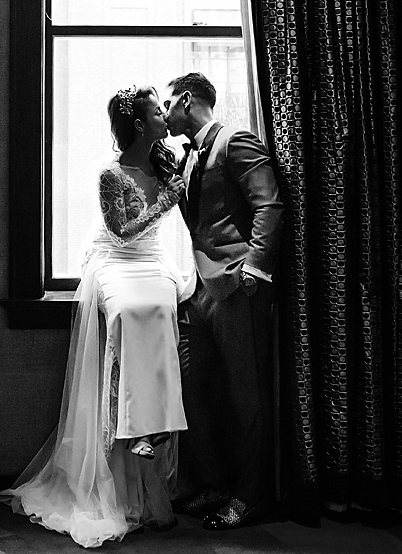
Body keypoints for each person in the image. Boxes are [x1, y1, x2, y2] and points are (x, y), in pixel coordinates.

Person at [0, 85, 194, 548]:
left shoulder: (166, 161)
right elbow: (122, 232)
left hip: (153, 259)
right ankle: (138, 429)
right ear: (140, 125)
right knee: (127, 312)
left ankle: (156, 428)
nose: (166, 116)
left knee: (163, 309)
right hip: (117, 259)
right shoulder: (110, 174)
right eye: (157, 112)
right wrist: (168, 199)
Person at [161, 72, 284, 530]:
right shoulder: (187, 157)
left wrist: (255, 267)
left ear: (187, 100)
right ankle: (212, 483)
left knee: (245, 397)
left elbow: (268, 204)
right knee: (192, 388)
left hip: (237, 287)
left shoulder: (236, 141)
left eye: (168, 102)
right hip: (196, 292)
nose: (166, 111)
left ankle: (250, 497)